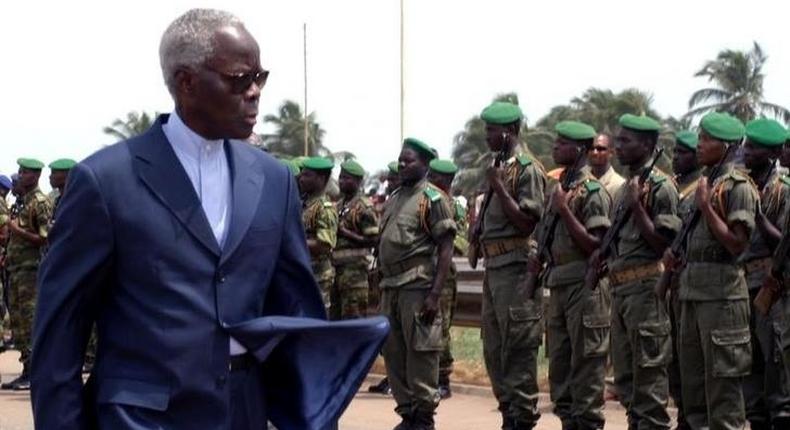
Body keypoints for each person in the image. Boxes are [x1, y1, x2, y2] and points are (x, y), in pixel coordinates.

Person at [30, 9, 387, 430]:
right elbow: (61, 332)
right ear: (187, 82)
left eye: (261, 77)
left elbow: (297, 313)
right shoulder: (107, 181)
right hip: (141, 418)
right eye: (240, 80)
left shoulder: (273, 181)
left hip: (245, 413)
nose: (255, 93)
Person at [664, 112, 758, 430]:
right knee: (694, 392)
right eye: (700, 138)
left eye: (707, 139)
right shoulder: (707, 184)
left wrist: (706, 207)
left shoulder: (737, 187)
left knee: (723, 394)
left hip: (722, 298)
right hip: (692, 294)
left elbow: (737, 244)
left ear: (728, 146)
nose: (699, 145)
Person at [471, 101, 547, 430]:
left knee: (518, 350)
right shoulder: (499, 165)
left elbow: (527, 221)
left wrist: (499, 186)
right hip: (495, 268)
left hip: (516, 269)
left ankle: (522, 418)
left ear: (511, 131)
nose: (487, 136)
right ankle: (509, 415)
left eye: (492, 130)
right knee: (494, 350)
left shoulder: (527, 169)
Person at [605, 114, 680, 429]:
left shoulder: (661, 187)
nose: (617, 148)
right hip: (621, 292)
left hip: (646, 291)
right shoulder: (626, 188)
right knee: (627, 382)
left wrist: (638, 206)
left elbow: (664, 241)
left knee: (649, 383)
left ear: (648, 145)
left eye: (625, 141)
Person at [536, 120, 612, 430]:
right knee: (560, 368)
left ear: (579, 149)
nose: (555, 147)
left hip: (584, 285)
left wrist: (565, 211)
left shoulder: (591, 191)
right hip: (559, 283)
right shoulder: (560, 187)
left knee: (587, 366)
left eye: (562, 143)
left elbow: (597, 244)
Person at [377, 137, 455, 430]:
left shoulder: (433, 199)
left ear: (424, 165)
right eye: (400, 159)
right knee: (394, 352)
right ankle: (407, 414)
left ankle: (423, 418)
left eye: (408, 160)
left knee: (421, 354)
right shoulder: (396, 197)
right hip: (391, 286)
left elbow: (446, 247)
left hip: (417, 285)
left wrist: (435, 294)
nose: (402, 164)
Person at [739, 118, 790, 429]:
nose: (746, 152)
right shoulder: (741, 186)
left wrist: (757, 215)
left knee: (773, 365)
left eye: (754, 147)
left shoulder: (781, 190)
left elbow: (782, 241)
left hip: (771, 287)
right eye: (746, 145)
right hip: (741, 284)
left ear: (771, 153)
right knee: (749, 363)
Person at [1, 158, 53, 391]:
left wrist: (14, 228)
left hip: (31, 271)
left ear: (36, 176)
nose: (20, 175)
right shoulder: (22, 202)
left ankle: (36, 373)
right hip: (16, 270)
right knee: (20, 324)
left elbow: (44, 238)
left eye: (25, 172)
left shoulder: (39, 203)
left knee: (31, 322)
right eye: (20, 171)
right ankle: (26, 370)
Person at [667, 130, 702, 430]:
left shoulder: (701, 189)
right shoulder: (675, 187)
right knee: (675, 360)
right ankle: (683, 416)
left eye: (682, 152)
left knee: (692, 361)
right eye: (675, 152)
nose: (675, 157)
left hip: (695, 284)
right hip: (674, 283)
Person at [426, 158, 464, 400]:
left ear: (442, 181)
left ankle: (443, 379)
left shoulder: (451, 207)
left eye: (433, 177)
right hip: (425, 271)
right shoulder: (425, 202)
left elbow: (460, 242)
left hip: (444, 274)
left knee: (442, 327)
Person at [333, 159, 379, 320]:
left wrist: (346, 233)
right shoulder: (338, 206)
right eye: (341, 177)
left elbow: (373, 240)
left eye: (347, 178)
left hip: (356, 274)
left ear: (358, 181)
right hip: (337, 272)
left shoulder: (364, 207)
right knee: (335, 320)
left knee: (354, 320)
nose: (342, 181)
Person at [299, 156, 339, 314]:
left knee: (316, 321)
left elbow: (324, 245)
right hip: (304, 272)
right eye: (302, 174)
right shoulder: (305, 204)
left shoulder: (324, 209)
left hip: (318, 276)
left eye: (307, 175)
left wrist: (293, 241)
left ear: (321, 179)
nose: (301, 179)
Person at [589, 133, 626, 197]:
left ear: (611, 152)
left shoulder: (619, 185)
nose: (594, 152)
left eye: (600, 149)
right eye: (591, 148)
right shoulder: (581, 180)